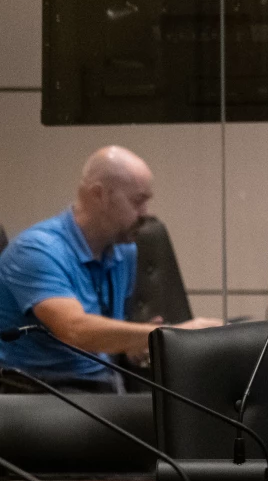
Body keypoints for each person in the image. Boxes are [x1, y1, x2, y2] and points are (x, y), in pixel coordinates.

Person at [0, 146, 219, 391]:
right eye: (138, 201)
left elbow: (105, 332)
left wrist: (133, 343)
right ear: (99, 195)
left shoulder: (123, 250)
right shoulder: (37, 250)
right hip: (43, 391)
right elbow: (74, 330)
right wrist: (169, 334)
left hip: (101, 383)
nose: (146, 213)